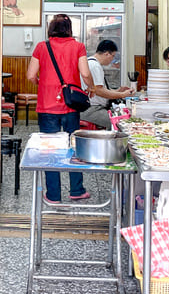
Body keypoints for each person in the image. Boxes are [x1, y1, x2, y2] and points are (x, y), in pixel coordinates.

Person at [27, 14, 94, 203]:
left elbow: (31, 75)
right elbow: (85, 73)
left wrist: (42, 84)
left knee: (50, 150)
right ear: (69, 29)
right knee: (74, 147)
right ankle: (76, 190)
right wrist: (92, 86)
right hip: (70, 105)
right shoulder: (78, 46)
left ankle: (53, 195)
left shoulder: (42, 46)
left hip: (47, 107)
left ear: (51, 29)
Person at [82, 39, 134, 130]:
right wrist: (122, 94)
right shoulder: (94, 66)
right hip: (92, 109)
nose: (112, 59)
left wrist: (118, 91)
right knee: (120, 124)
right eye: (113, 56)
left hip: (93, 107)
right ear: (107, 54)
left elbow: (100, 89)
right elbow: (99, 91)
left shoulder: (92, 63)